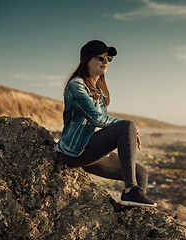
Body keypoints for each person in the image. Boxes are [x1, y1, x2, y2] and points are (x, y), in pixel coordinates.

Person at [55, 40, 156, 207]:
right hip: (74, 151)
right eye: (101, 58)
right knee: (126, 125)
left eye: (109, 58)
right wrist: (127, 128)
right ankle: (130, 190)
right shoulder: (76, 85)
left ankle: (132, 216)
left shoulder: (99, 90)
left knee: (141, 173)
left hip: (90, 148)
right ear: (86, 60)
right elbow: (96, 118)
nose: (106, 62)